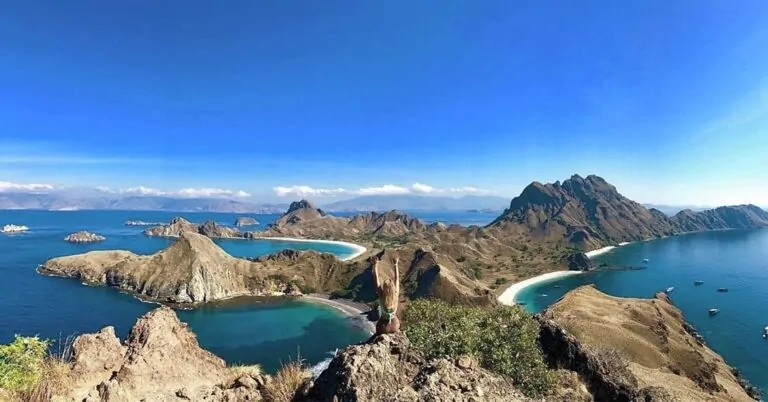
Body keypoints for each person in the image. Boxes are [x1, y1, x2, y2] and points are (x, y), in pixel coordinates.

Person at [371, 255, 400, 335]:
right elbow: (397, 279)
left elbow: (376, 280)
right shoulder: (396, 294)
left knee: (377, 330)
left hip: (384, 327)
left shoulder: (381, 296)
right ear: (393, 288)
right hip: (395, 325)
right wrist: (395, 265)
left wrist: (375, 265)